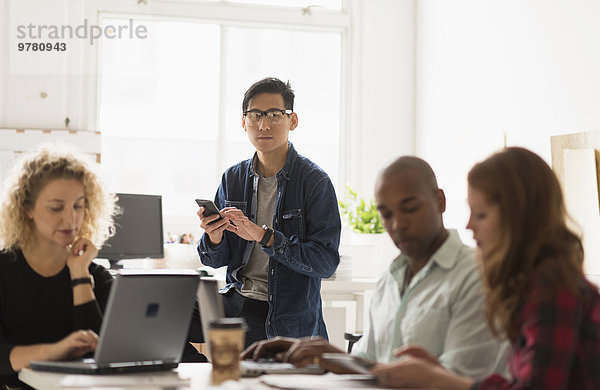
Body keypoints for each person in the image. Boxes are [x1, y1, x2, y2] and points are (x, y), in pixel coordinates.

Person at [243, 156, 507, 379]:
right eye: (387, 214)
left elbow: (459, 380)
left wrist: (329, 355)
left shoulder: (476, 277)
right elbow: (366, 362)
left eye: (410, 208)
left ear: (440, 201)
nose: (398, 224)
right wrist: (316, 351)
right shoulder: (389, 281)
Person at [372, 147, 600, 389]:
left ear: (517, 218)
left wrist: (440, 380)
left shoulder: (553, 288)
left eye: (480, 215)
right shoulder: (531, 285)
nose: (469, 225)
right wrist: (439, 374)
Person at [196, 77, 341, 347]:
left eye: (275, 115)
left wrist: (265, 237)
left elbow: (326, 263)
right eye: (255, 115)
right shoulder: (233, 178)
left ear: (292, 121)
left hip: (285, 314)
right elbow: (213, 260)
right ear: (243, 122)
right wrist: (214, 237)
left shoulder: (314, 182)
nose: (263, 125)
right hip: (236, 301)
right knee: (163, 319)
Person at [0, 147, 119, 387]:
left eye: (78, 206)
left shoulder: (95, 275)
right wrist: (53, 351)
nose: (71, 219)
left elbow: (99, 354)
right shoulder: (4, 271)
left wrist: (79, 275)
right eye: (56, 207)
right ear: (27, 209)